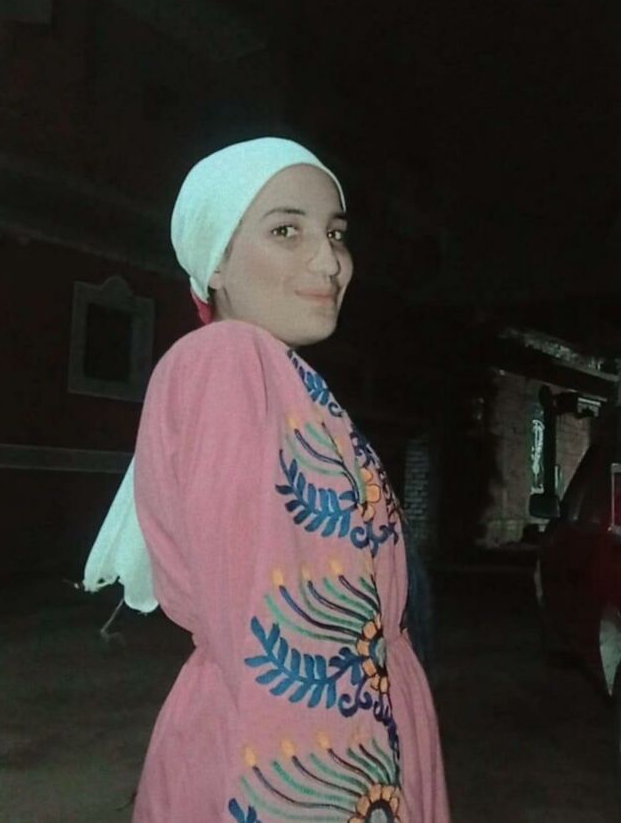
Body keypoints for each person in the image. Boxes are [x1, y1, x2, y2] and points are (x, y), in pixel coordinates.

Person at [84, 137, 450, 822]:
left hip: (355, 728)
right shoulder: (232, 364)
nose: (330, 260)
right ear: (217, 261)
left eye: (335, 233)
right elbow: (292, 639)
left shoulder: (281, 380)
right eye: (287, 230)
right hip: (305, 756)